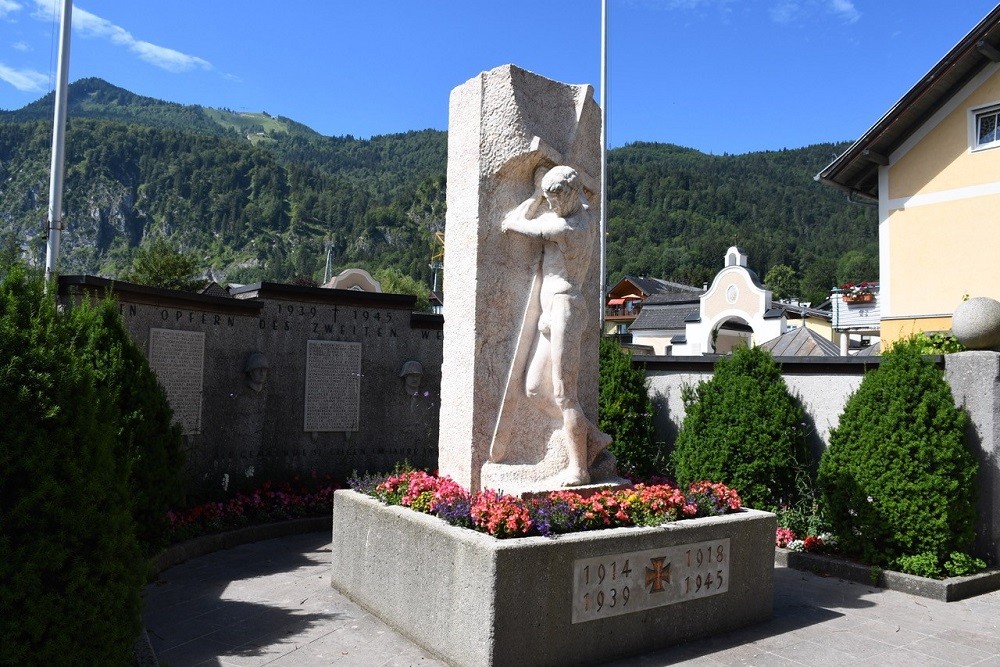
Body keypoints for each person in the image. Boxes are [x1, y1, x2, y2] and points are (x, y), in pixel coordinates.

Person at [501, 165, 606, 486]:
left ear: (572, 193)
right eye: (549, 198)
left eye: (556, 198)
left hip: (565, 309)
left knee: (563, 392)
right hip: (551, 310)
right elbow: (585, 193)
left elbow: (514, 223)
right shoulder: (583, 211)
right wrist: (544, 189)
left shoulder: (566, 227)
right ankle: (591, 435)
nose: (552, 204)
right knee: (534, 389)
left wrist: (533, 195)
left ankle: (579, 468)